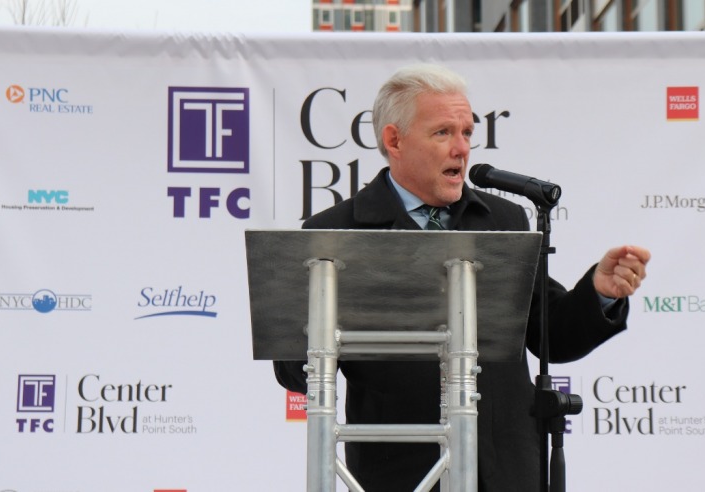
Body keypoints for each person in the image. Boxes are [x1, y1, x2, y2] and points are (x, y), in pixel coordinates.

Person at [274, 64, 651, 491]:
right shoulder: (335, 233)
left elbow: (552, 335)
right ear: (394, 140)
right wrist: (328, 316)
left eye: (467, 133)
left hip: (505, 469)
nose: (461, 149)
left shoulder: (504, 220)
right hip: (402, 472)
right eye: (443, 133)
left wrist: (599, 293)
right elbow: (292, 370)